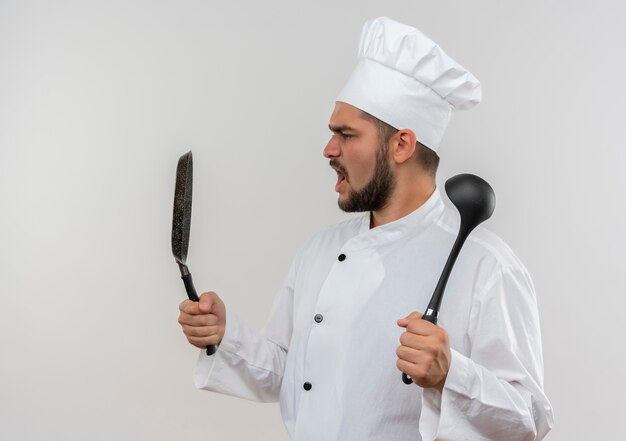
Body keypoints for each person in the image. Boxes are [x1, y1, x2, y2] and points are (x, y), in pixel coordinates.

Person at [178, 16, 554, 441]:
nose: (329, 149)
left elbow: (531, 418)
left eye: (346, 134)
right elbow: (293, 374)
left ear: (402, 145)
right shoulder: (320, 251)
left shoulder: (487, 266)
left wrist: (453, 374)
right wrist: (226, 336)